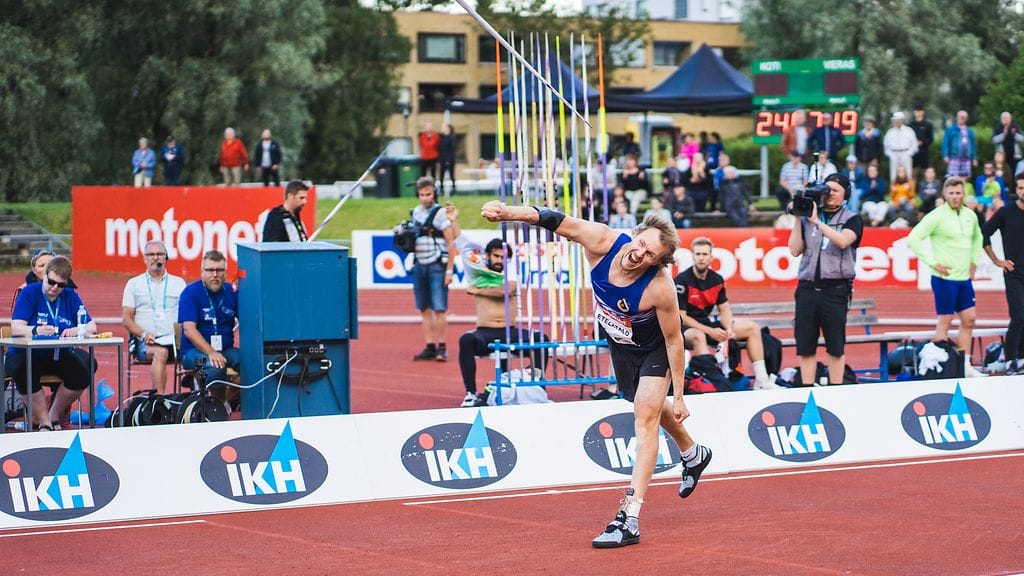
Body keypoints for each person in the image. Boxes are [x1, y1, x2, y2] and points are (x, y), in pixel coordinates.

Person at [480, 201, 711, 549]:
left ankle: (628, 517)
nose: (640, 254)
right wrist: (507, 212)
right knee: (646, 407)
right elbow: (554, 219)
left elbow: (674, 340)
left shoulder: (659, 287)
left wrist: (679, 395)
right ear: (634, 235)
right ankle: (693, 453)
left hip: (655, 351)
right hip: (621, 345)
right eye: (641, 244)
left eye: (650, 255)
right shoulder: (603, 241)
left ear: (658, 263)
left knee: (645, 421)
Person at [447, 204, 546, 407]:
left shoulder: (511, 274)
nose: (500, 260)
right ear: (488, 256)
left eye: (504, 257)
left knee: (540, 339)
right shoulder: (478, 273)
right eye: (496, 256)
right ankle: (470, 393)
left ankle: (536, 382)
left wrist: (477, 290)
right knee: (466, 340)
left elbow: (505, 291)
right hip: (486, 332)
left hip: (511, 330)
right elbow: (462, 243)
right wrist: (453, 220)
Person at [788, 173, 863, 386]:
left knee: (835, 346)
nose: (830, 194)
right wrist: (798, 216)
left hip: (835, 288)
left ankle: (836, 388)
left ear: (845, 194)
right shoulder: (809, 216)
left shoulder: (852, 219)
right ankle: (806, 388)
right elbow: (795, 250)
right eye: (827, 190)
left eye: (835, 191)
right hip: (807, 287)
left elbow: (843, 241)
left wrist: (817, 222)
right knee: (805, 345)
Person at [7, 256, 97, 431]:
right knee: (22, 370)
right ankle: (44, 422)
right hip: (26, 353)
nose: (55, 288)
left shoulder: (70, 296)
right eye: (51, 282)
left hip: (56, 353)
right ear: (45, 275)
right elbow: (16, 327)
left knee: (81, 374)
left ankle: (52, 416)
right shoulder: (29, 293)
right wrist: (36, 330)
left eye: (60, 285)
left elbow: (91, 327)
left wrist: (77, 330)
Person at [675, 237, 777, 389]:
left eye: (704, 254)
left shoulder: (717, 279)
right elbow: (682, 317)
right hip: (685, 329)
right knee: (698, 336)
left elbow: (724, 310)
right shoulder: (682, 280)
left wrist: (728, 328)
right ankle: (710, 382)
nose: (701, 258)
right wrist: (711, 331)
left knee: (752, 327)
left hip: (707, 325)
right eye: (698, 254)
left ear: (711, 257)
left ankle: (762, 380)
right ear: (693, 256)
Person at [908, 177, 985, 377]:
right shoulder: (936, 216)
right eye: (951, 193)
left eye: (958, 193)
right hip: (944, 279)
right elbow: (914, 237)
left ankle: (965, 366)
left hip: (964, 278)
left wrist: (974, 261)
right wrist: (932, 263)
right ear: (944, 194)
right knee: (945, 320)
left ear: (964, 194)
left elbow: (978, 237)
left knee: (969, 319)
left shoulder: (970, 215)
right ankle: (940, 369)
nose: (955, 197)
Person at [122, 240, 187, 394]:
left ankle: (198, 396)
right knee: (160, 352)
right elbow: (127, 319)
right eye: (151, 254)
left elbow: (188, 314)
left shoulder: (179, 283)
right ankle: (159, 400)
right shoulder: (134, 284)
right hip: (145, 342)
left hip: (174, 341)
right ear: (145, 258)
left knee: (198, 352)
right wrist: (143, 334)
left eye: (159, 254)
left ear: (166, 257)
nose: (155, 258)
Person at [178, 250, 242, 388]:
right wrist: (211, 352)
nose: (215, 274)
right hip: (192, 354)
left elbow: (248, 322)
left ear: (225, 272)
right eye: (210, 270)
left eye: (219, 270)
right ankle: (201, 386)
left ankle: (226, 398)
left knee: (252, 364)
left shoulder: (232, 292)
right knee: (213, 366)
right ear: (202, 272)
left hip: (225, 350)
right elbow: (189, 330)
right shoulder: (190, 293)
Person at [982, 174, 1024, 375]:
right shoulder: (1006, 212)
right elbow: (984, 234)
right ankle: (1010, 360)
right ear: (1016, 190)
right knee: (1019, 316)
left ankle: (1022, 358)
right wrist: (997, 260)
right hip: (1014, 274)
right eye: (1021, 188)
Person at [410, 177, 455, 361]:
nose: (425, 198)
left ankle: (442, 346)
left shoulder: (440, 213)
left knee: (439, 307)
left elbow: (451, 242)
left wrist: (449, 270)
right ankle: (429, 345)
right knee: (424, 307)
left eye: (428, 194)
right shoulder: (416, 212)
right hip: (419, 263)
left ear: (434, 193)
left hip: (437, 264)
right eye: (421, 195)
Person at [884, 111, 918, 183]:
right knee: (893, 174)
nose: (897, 121)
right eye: (895, 120)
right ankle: (893, 188)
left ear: (902, 120)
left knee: (908, 172)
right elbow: (886, 146)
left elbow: (914, 144)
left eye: (899, 120)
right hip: (894, 154)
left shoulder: (909, 131)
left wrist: (909, 153)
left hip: (906, 153)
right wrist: (890, 155)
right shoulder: (890, 132)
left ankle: (909, 188)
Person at [942, 110, 977, 179]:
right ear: (957, 117)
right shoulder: (950, 129)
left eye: (964, 117)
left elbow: (973, 145)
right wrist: (945, 155)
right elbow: (945, 143)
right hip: (954, 158)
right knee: (952, 178)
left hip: (966, 158)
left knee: (965, 178)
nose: (962, 118)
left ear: (966, 119)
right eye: (960, 116)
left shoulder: (970, 131)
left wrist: (974, 158)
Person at [909, 106, 934, 176]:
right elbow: (907, 138)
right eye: (916, 111)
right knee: (912, 173)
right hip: (913, 152)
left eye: (920, 111)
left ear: (923, 112)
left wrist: (922, 142)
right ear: (914, 112)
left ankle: (926, 183)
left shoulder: (928, 125)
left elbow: (931, 139)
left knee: (926, 173)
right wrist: (914, 143)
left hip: (924, 152)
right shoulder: (910, 124)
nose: (918, 113)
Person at [438, 123, 457, 195]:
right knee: (441, 176)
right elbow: (440, 150)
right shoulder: (441, 137)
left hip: (450, 160)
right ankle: (441, 190)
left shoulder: (452, 138)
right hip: (442, 160)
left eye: (444, 127)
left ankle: (454, 189)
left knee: (451, 175)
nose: (442, 128)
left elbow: (452, 150)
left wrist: (448, 160)